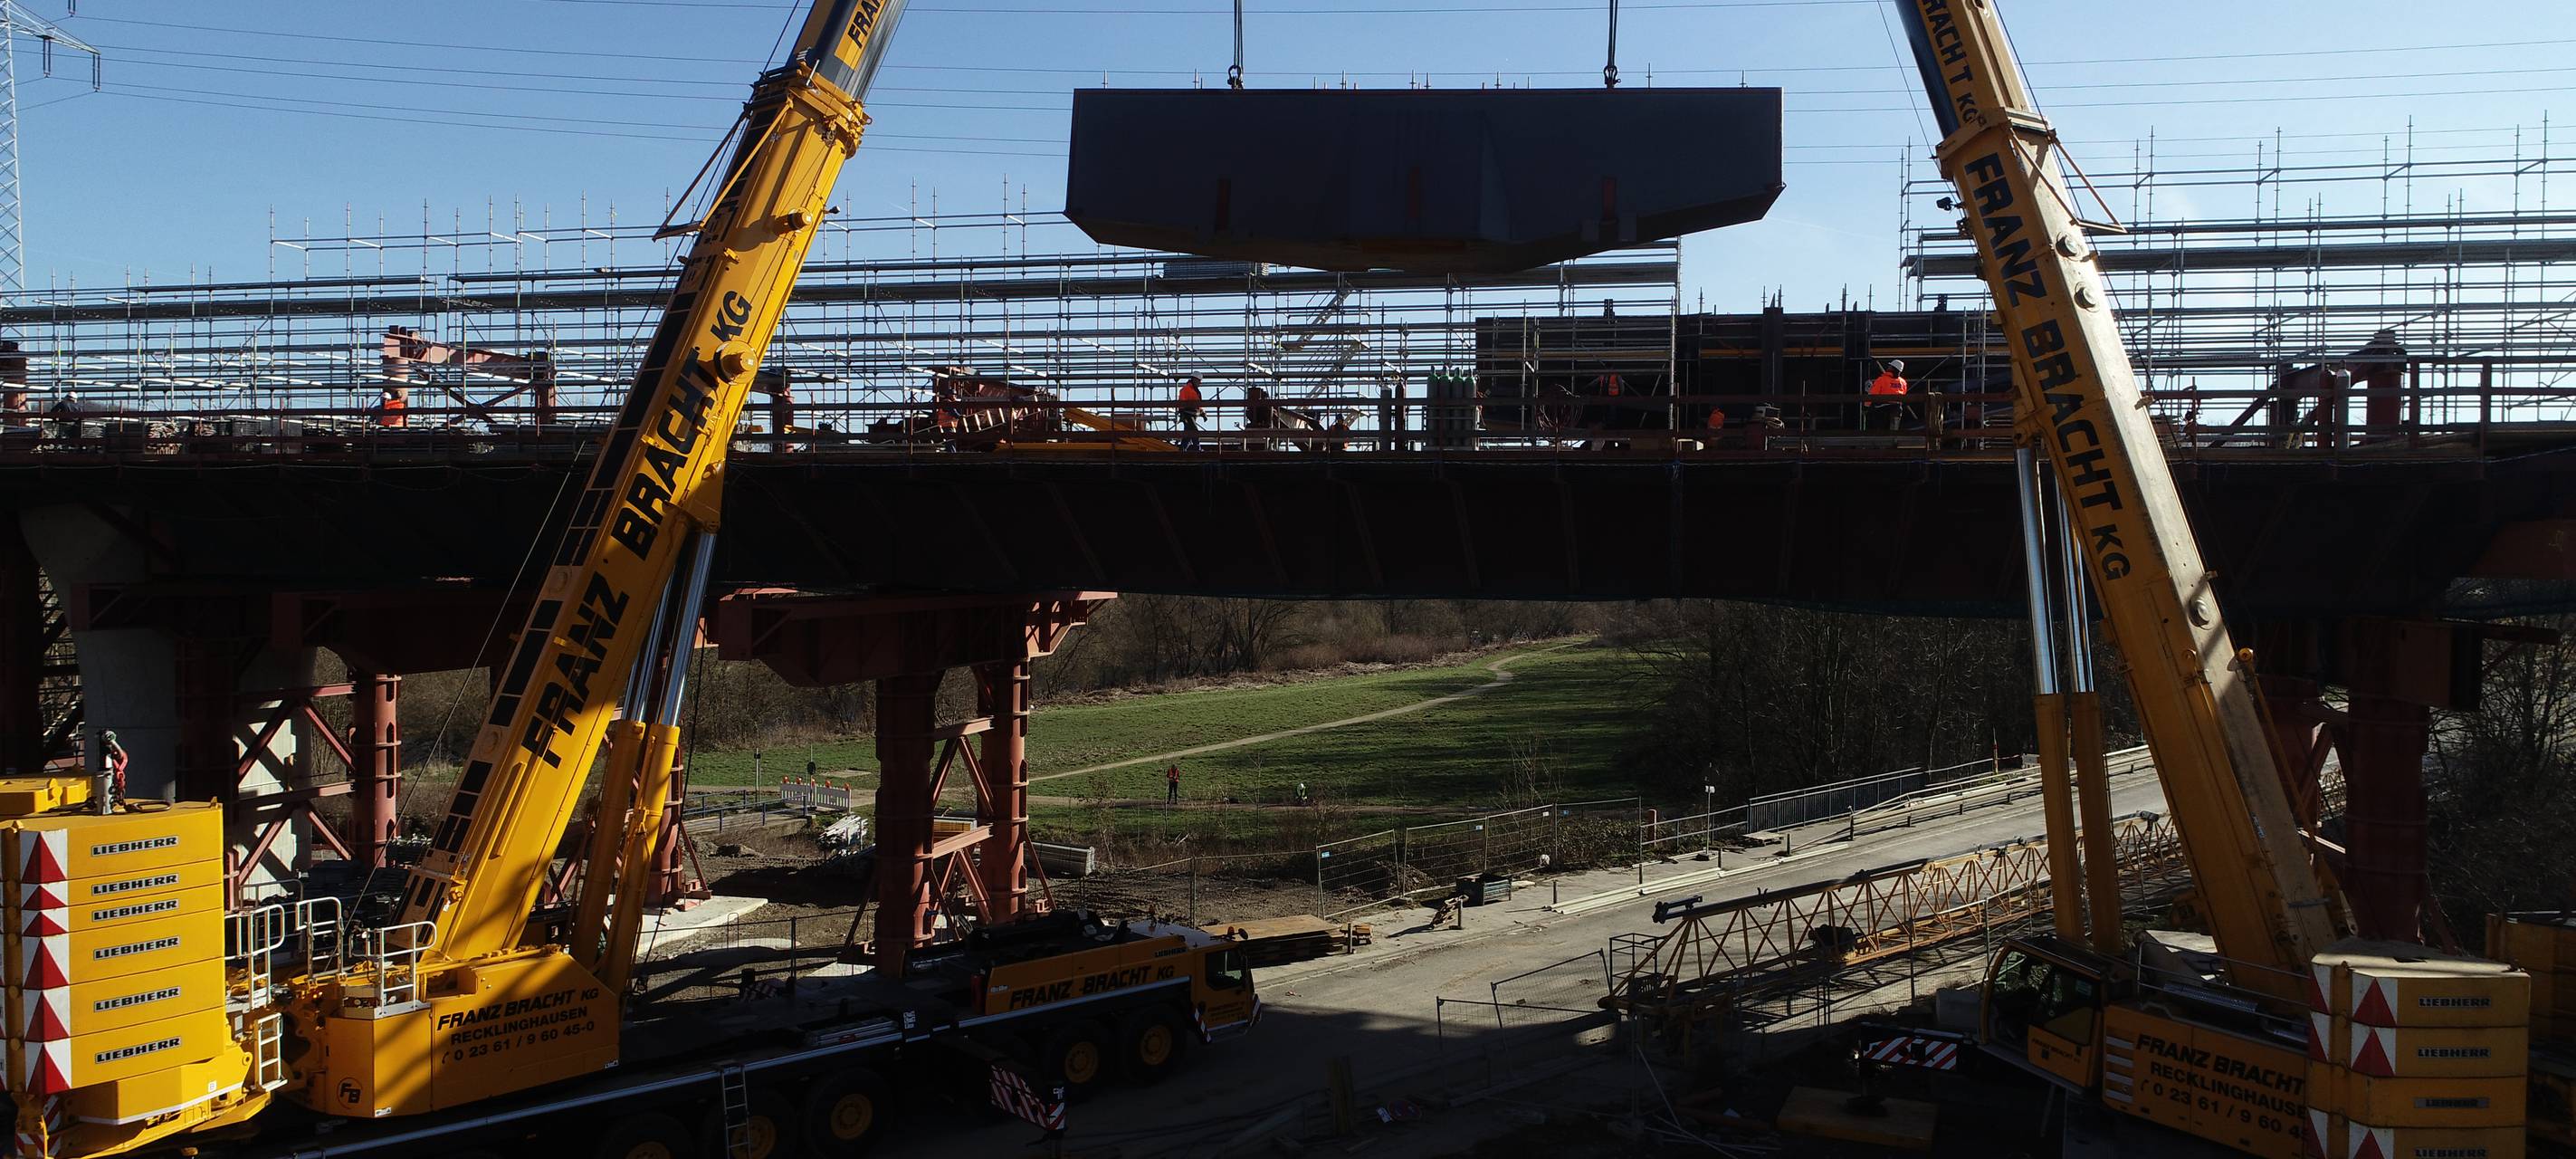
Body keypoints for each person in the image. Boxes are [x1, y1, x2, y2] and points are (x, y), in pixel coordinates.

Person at [1866, 359, 1910, 431]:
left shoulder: (1881, 380)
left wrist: (1866, 407)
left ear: (1892, 368)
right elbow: (1904, 395)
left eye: (1890, 366)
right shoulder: (1903, 382)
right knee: (1894, 429)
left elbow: (1873, 394)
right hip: (1896, 408)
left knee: (1880, 430)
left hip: (1880, 409)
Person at [98, 730, 128, 814]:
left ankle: (106, 807)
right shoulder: (109, 750)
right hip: (106, 772)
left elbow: (120, 755)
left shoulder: (109, 751)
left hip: (107, 772)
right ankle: (105, 807)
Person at [1177, 376, 1205, 450]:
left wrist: (1202, 412)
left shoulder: (1195, 391)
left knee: (1188, 434)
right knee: (1194, 431)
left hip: (1192, 414)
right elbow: (1182, 402)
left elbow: (1198, 404)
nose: (1200, 383)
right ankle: (1198, 449)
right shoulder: (1186, 389)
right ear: (1194, 380)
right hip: (1187, 414)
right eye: (1199, 381)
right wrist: (1182, 412)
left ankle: (1182, 450)